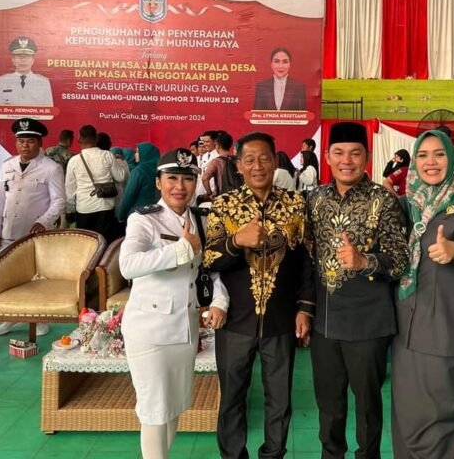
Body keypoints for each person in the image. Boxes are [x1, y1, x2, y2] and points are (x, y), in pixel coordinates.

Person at [203, 132, 315, 459]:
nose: (257, 166)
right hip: (235, 320)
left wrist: (305, 308)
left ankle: (273, 454)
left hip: (281, 319)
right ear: (238, 165)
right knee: (232, 398)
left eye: (264, 158)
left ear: (275, 160)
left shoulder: (295, 204)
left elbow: (307, 260)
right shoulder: (224, 205)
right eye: (249, 160)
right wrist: (237, 241)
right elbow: (210, 259)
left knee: (279, 399)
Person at [304, 121, 409, 459]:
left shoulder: (384, 200)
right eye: (339, 153)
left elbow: (400, 260)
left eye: (354, 153)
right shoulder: (314, 199)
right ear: (327, 156)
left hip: (368, 321)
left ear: (367, 157)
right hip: (325, 321)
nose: (346, 160)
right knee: (328, 405)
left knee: (367, 405)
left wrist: (364, 261)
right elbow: (305, 256)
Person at [120, 148, 229, 459]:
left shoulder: (203, 219)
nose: (180, 186)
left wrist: (219, 301)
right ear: (158, 182)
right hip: (150, 331)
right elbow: (128, 265)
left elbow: (212, 270)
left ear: (196, 183)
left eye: (187, 179)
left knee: (173, 406)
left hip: (185, 330)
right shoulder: (144, 220)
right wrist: (181, 250)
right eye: (172, 178)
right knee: (154, 409)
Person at [391, 130, 454, 458]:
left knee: (442, 408)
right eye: (422, 155)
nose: (431, 162)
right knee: (407, 409)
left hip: (449, 327)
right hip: (406, 325)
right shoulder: (406, 205)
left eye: (439, 154)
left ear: (451, 158)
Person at [0, 118, 66, 337]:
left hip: (35, 233)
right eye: (21, 141)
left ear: (39, 143)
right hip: (8, 231)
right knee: (8, 277)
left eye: (30, 141)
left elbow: (59, 201)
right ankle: (11, 317)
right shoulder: (7, 165)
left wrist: (44, 221)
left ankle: (38, 318)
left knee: (35, 277)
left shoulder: (51, 168)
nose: (25, 145)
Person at [65, 125, 129, 242]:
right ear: (96, 139)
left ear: (79, 140)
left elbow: (70, 189)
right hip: (105, 206)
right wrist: (121, 162)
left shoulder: (74, 161)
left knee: (86, 243)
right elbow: (120, 177)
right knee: (104, 242)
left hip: (84, 207)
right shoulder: (107, 155)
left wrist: (70, 210)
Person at [0, 36, 53, 106]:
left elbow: (48, 111)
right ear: (13, 60)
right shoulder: (3, 80)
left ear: (33, 60)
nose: (23, 60)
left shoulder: (43, 82)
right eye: (19, 57)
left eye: (27, 56)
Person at [116, 143, 161, 223]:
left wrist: (121, 215)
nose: (135, 155)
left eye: (137, 152)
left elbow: (129, 195)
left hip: (139, 213)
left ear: (145, 154)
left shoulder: (138, 171)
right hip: (158, 212)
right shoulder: (161, 170)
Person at [201, 131, 234, 200]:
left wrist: (209, 193)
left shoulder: (216, 161)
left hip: (221, 197)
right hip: (236, 196)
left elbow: (205, 178)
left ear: (218, 145)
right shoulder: (236, 160)